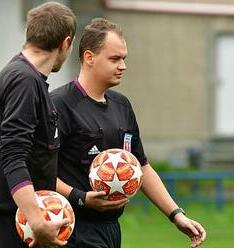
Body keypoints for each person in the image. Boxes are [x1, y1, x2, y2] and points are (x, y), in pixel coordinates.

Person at [51, 18, 206, 248]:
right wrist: (80, 198)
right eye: (115, 59)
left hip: (112, 230)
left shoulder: (122, 105)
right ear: (89, 57)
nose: (123, 65)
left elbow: (141, 166)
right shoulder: (59, 105)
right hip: (72, 230)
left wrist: (176, 214)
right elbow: (39, 171)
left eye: (124, 58)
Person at [0, 2, 76, 247]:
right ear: (65, 43)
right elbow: (12, 153)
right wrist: (36, 218)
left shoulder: (26, 77)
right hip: (13, 223)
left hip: (21, 221)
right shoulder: (24, 81)